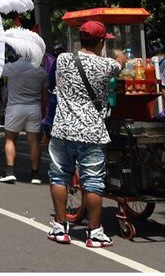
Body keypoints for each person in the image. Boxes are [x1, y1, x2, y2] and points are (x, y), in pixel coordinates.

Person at [46, 20, 120, 248]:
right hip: (91, 132)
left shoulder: (63, 59)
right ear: (100, 42)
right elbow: (120, 64)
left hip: (63, 129)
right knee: (93, 182)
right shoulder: (108, 65)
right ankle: (95, 233)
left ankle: (60, 228)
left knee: (59, 176)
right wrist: (118, 55)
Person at [0, 46, 48, 184]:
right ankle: (35, 174)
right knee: (33, 142)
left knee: (10, 139)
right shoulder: (41, 70)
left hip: (15, 107)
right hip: (34, 108)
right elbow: (45, 97)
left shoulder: (12, 67)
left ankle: (9, 171)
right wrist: (42, 111)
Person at [40, 44, 65, 147]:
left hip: (56, 95)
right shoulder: (55, 60)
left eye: (59, 50)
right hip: (59, 95)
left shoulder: (54, 61)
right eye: (56, 50)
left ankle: (50, 138)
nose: (57, 52)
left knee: (50, 117)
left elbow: (51, 80)